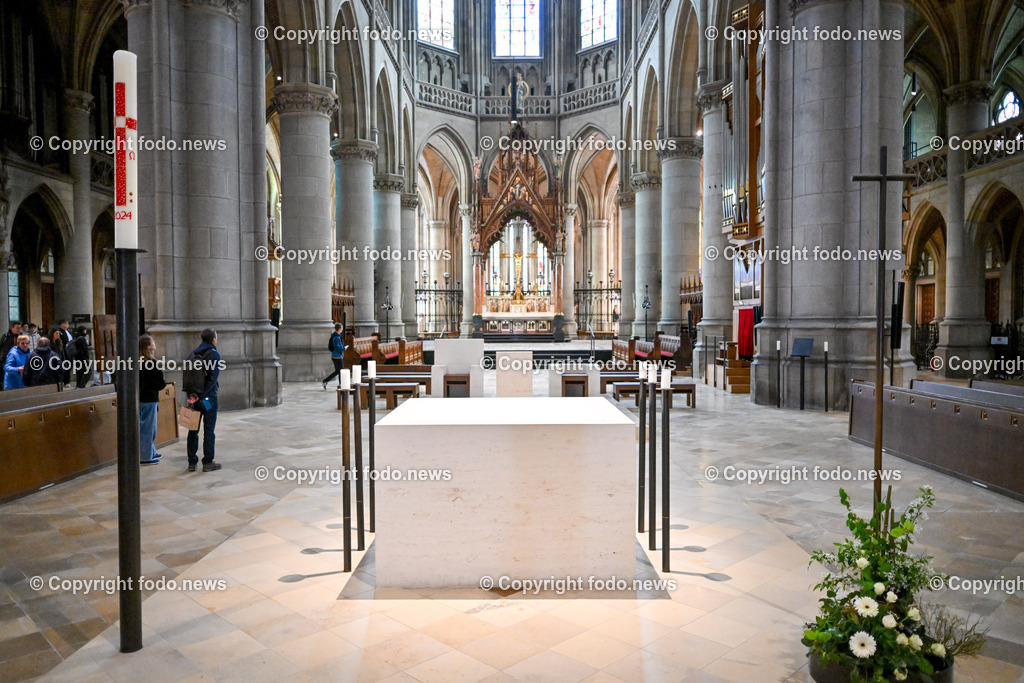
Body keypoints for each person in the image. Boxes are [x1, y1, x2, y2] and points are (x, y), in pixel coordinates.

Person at [184, 328, 221, 472]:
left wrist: (192, 395)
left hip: (194, 398)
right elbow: (213, 378)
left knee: (193, 429)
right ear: (213, 339)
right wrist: (202, 394)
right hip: (207, 399)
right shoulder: (214, 354)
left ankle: (192, 462)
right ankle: (207, 462)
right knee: (209, 429)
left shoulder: (193, 353)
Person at [139, 334, 167, 465]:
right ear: (148, 346)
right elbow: (160, 383)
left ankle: (151, 451)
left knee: (147, 428)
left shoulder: (136, 361)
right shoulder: (151, 363)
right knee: (148, 429)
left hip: (140, 398)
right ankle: (145, 457)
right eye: (152, 342)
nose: (154, 343)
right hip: (149, 399)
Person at [321, 323, 345, 390]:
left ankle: (325, 381)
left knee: (338, 371)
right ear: (339, 329)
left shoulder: (336, 336)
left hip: (336, 356)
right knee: (341, 371)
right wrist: (344, 349)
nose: (342, 330)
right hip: (337, 356)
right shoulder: (336, 337)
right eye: (342, 328)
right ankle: (341, 384)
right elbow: (338, 347)